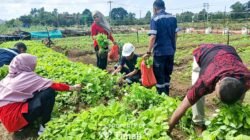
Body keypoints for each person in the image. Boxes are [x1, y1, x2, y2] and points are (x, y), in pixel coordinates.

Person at [168, 44, 250, 134]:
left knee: (236, 98)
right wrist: (168, 130)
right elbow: (182, 107)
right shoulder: (204, 82)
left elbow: (241, 92)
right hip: (204, 52)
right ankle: (198, 123)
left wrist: (238, 104)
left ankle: (235, 116)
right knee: (197, 99)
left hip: (228, 51)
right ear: (218, 83)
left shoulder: (247, 78)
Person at [0, 54, 82, 135]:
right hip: (16, 120)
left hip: (7, 120)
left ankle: (24, 126)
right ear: (26, 65)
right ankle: (44, 126)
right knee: (49, 92)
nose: (34, 67)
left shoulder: (9, 77)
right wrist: (73, 88)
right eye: (33, 64)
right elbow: (52, 85)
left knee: (37, 92)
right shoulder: (26, 76)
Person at [145, 0, 178, 95]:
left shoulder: (155, 19)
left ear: (155, 8)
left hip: (160, 52)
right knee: (167, 74)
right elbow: (176, 35)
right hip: (170, 51)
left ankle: (161, 97)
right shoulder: (173, 18)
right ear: (164, 7)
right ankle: (167, 94)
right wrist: (173, 46)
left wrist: (148, 52)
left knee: (159, 76)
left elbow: (153, 37)